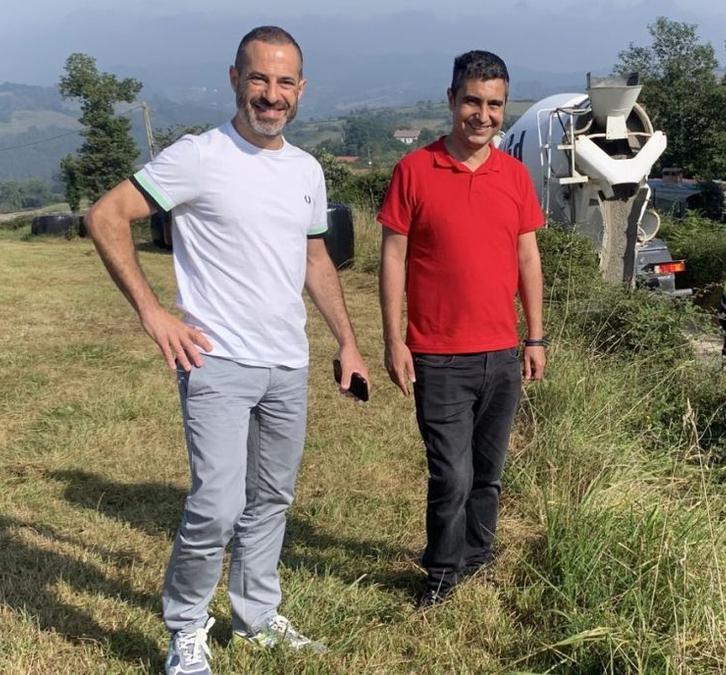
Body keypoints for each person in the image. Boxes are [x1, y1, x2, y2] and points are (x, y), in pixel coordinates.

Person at [84, 26, 368, 675]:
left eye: (284, 81)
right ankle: (185, 629)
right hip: (216, 363)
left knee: (271, 498)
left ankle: (256, 616)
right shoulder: (198, 156)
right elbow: (106, 215)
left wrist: (348, 342)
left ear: (301, 89)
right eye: (259, 79)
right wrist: (153, 312)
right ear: (235, 79)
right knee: (216, 504)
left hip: (288, 363)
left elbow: (315, 258)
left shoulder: (306, 170)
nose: (272, 94)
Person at [377, 50, 546, 609]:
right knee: (451, 474)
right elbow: (393, 257)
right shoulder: (415, 170)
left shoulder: (515, 176)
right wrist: (394, 338)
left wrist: (535, 336)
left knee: (489, 473)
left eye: (494, 104)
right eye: (472, 100)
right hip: (437, 354)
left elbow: (528, 260)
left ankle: (477, 555)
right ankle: (442, 572)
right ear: (451, 100)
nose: (483, 114)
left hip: (501, 353)